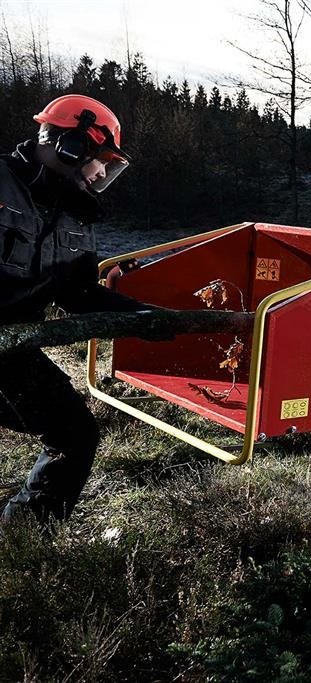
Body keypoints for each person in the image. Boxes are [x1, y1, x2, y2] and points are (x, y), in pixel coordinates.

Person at [0, 94, 150, 525]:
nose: (103, 172)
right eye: (100, 158)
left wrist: (142, 315)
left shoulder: (75, 217)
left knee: (75, 434)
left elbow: (78, 294)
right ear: (70, 144)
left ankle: (22, 539)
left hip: (13, 350)